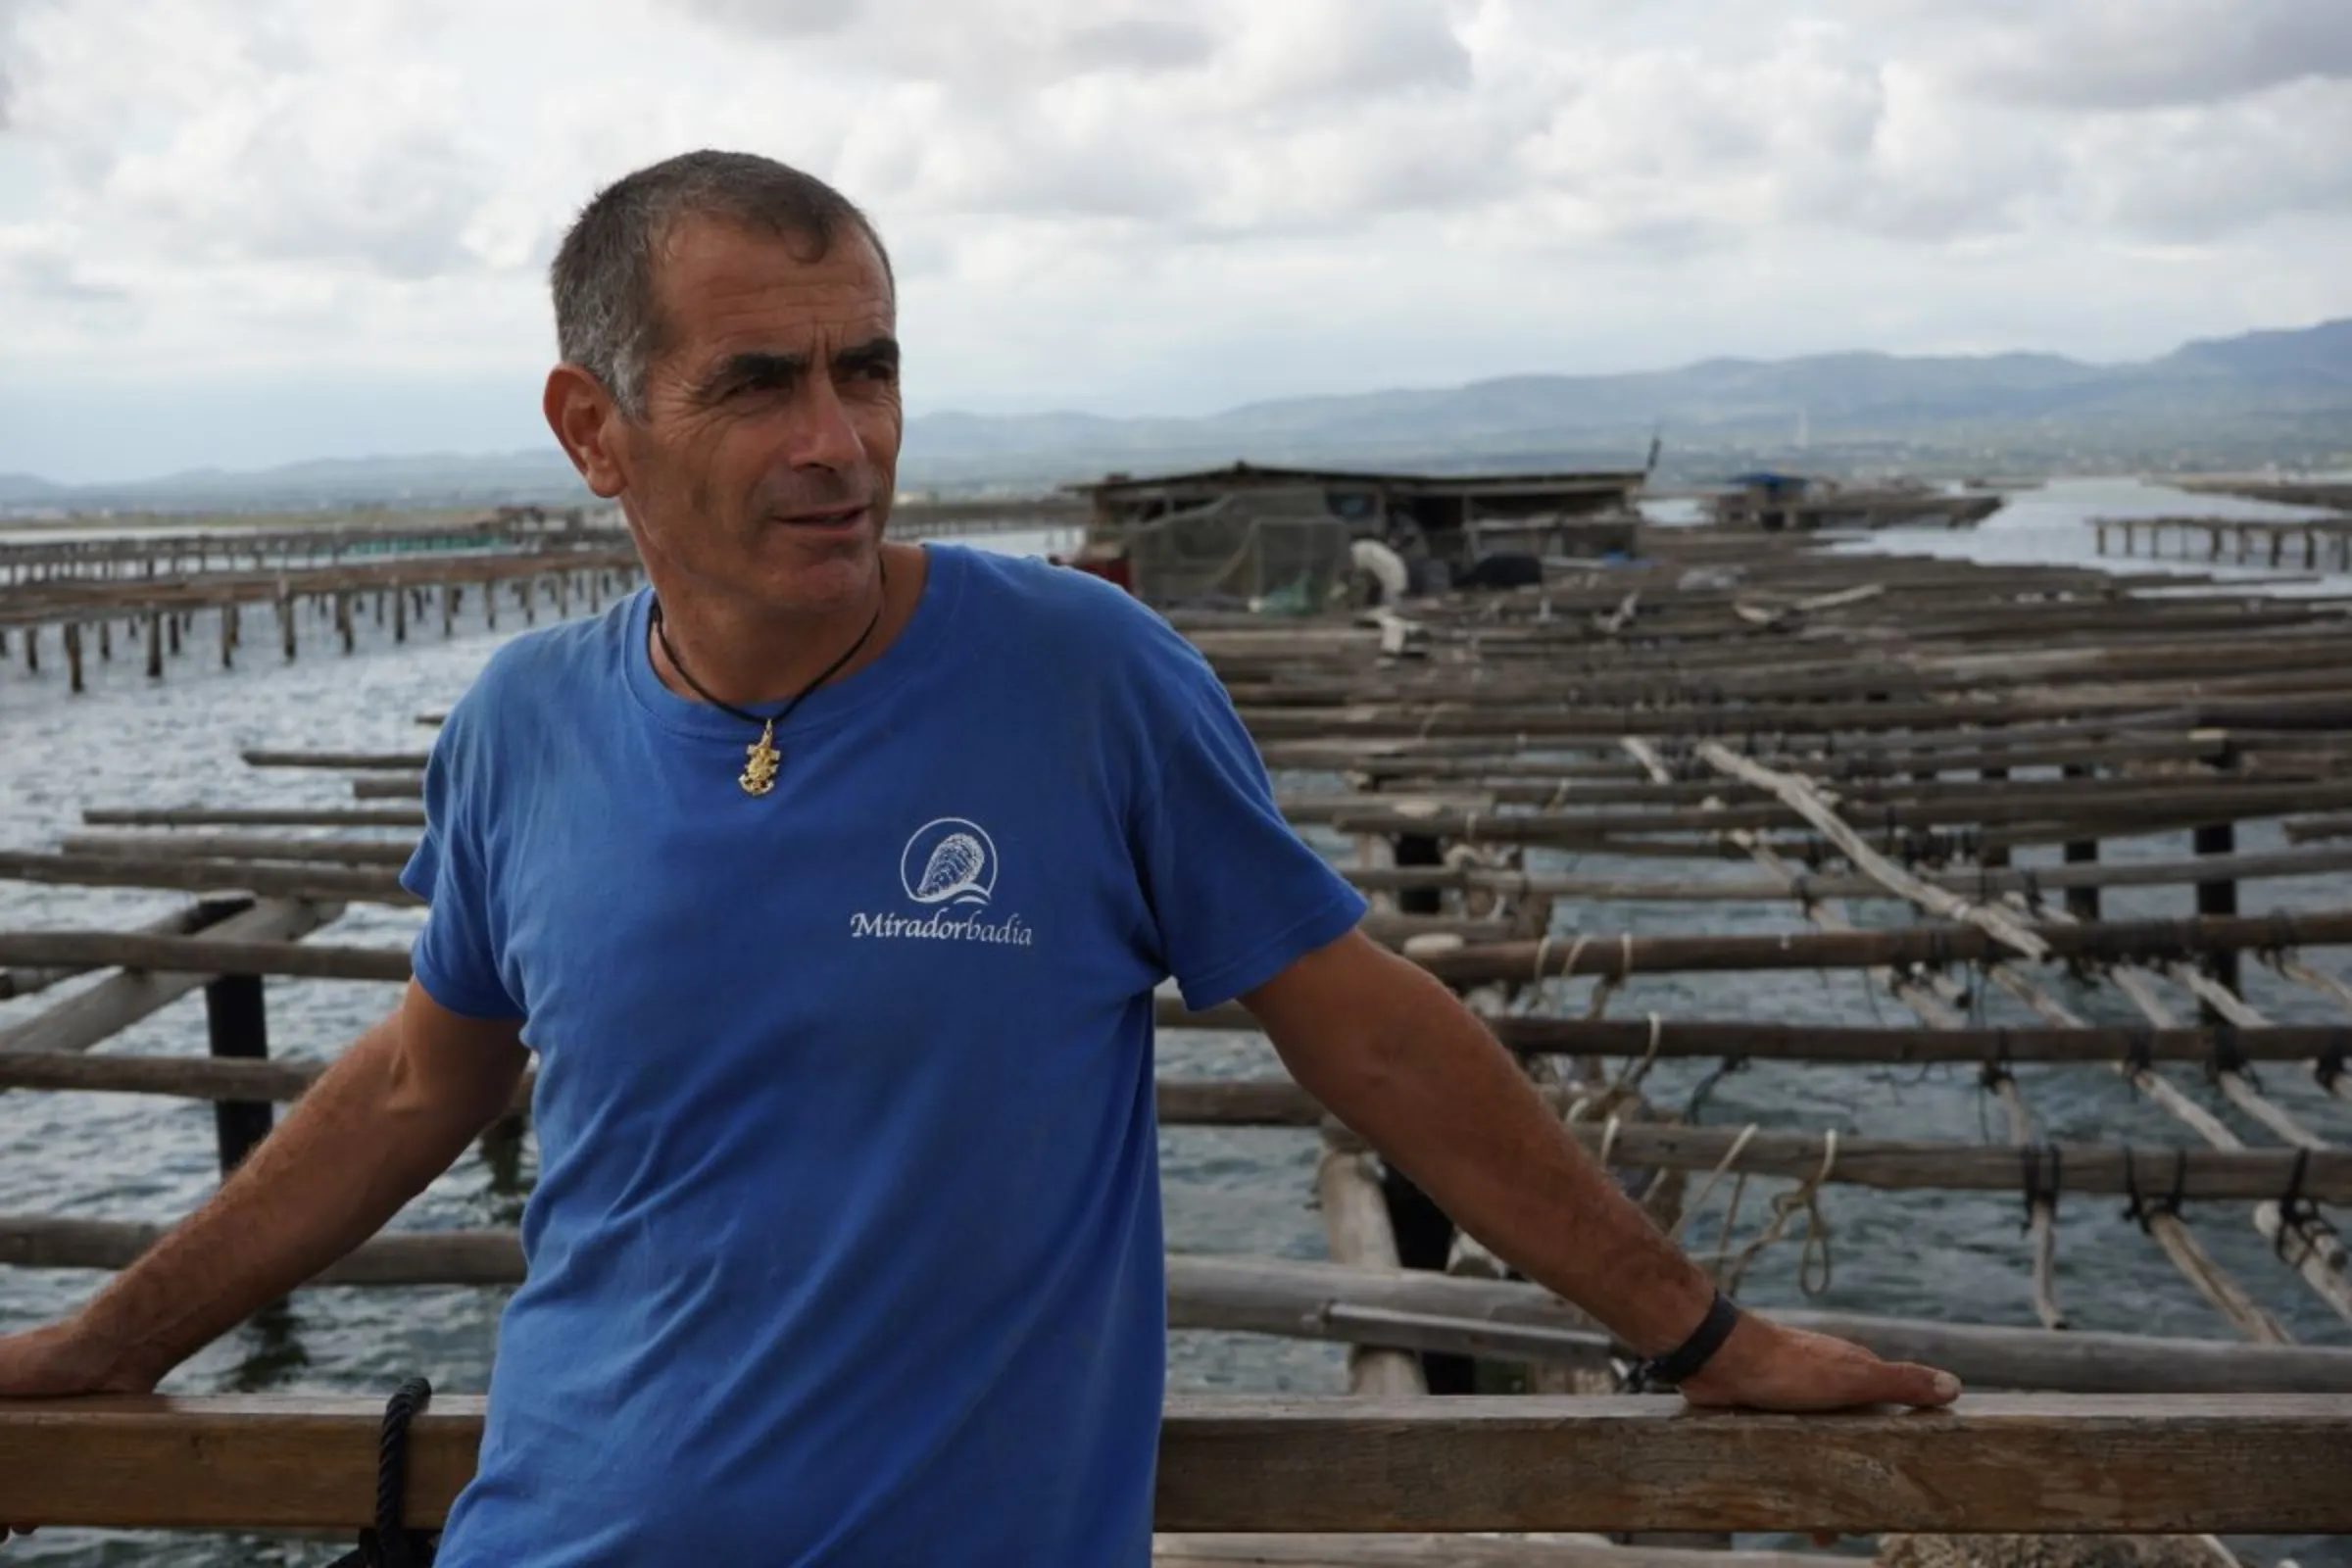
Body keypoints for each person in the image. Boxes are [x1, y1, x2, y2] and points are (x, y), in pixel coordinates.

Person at [0, 150, 1958, 1563]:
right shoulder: (523, 722)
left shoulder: (1086, 676)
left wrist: (1704, 1333)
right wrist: (105, 1341)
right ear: (593, 428)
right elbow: (416, 1083)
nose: (840, 439)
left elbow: (1366, 1033)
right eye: (759, 381)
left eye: (870, 367)